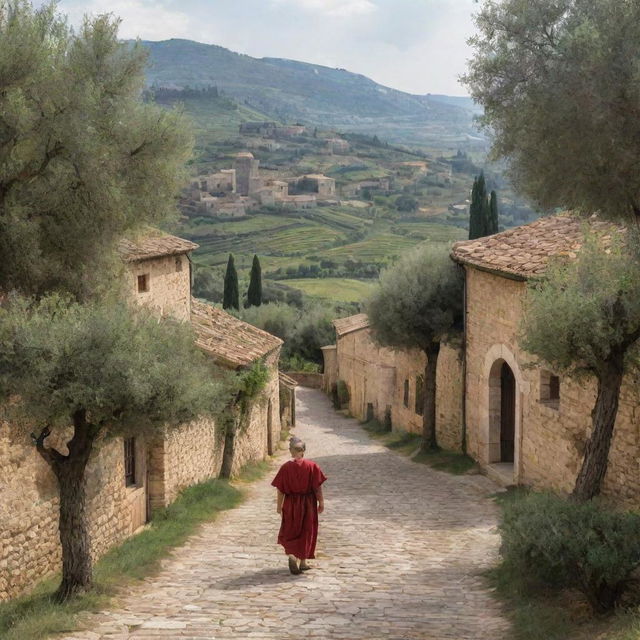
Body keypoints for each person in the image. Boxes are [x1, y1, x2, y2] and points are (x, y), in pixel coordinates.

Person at [271, 437, 327, 575]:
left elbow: (280, 490)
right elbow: (317, 488)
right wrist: (321, 502)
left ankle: (293, 556)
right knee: (307, 530)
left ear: (291, 451)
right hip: (308, 503)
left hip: (291, 503)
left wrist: (279, 507)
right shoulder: (312, 466)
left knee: (291, 529)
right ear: (303, 451)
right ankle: (302, 561)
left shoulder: (285, 468)